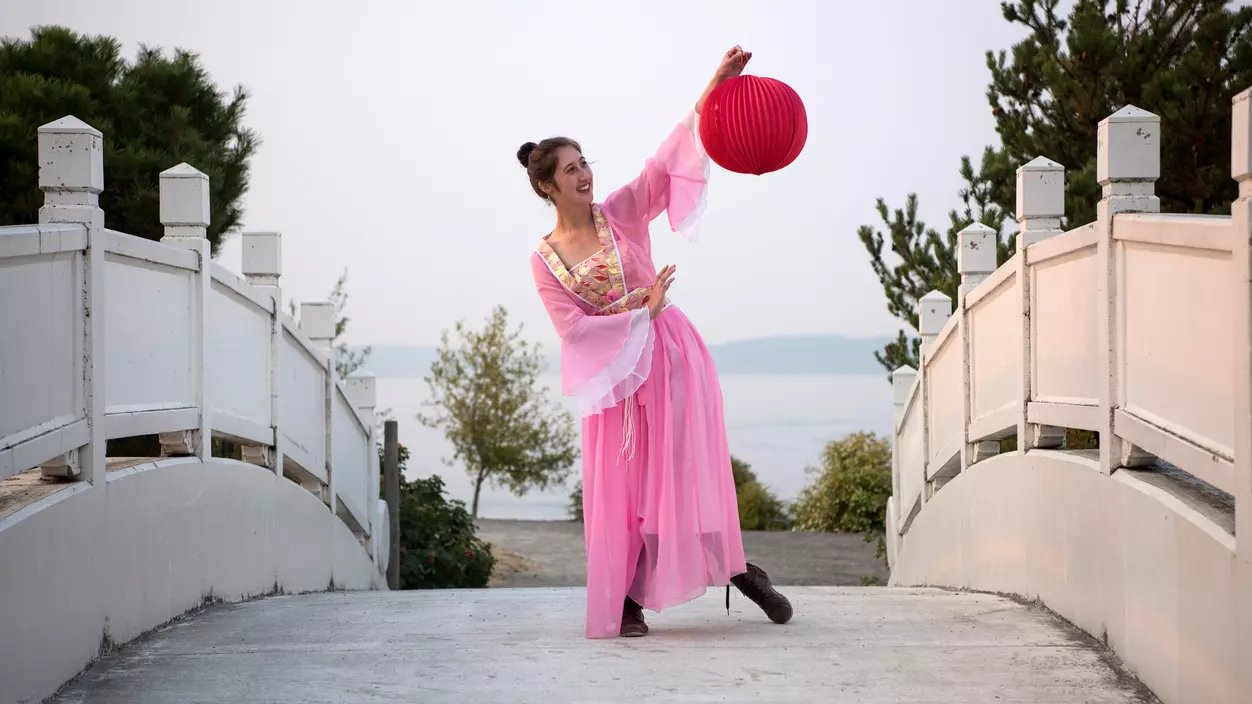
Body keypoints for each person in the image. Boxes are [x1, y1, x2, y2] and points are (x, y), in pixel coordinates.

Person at [521, 46, 792, 639]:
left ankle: (740, 570)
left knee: (684, 468)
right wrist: (635, 311)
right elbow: (571, 330)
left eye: (585, 162)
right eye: (570, 170)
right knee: (624, 490)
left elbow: (664, 166)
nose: (585, 174)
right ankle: (625, 601)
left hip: (671, 356)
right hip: (613, 380)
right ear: (547, 185)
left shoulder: (618, 213)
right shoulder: (545, 260)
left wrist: (712, 92)